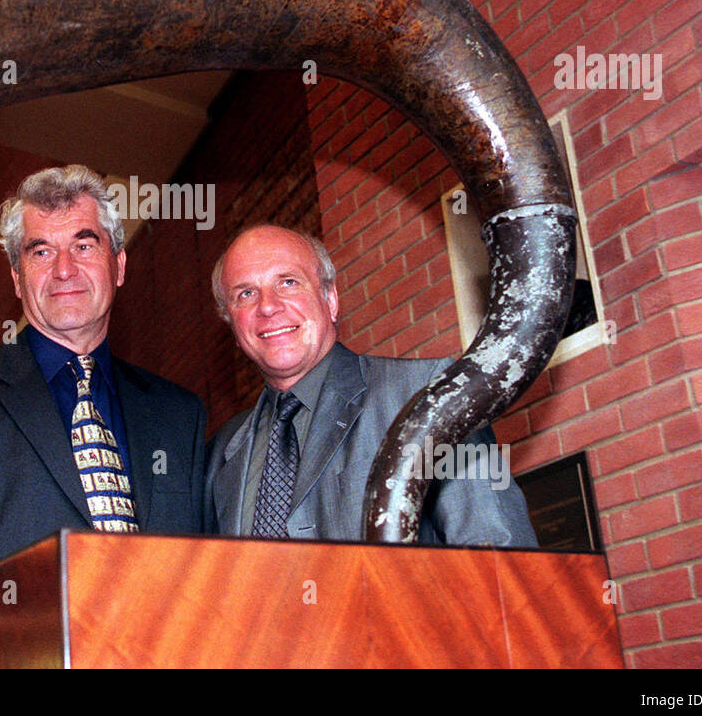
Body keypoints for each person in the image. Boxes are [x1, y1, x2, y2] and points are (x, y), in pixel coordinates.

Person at [0, 165, 206, 667]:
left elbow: (204, 593)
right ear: (17, 279)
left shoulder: (180, 414)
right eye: (41, 251)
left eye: (84, 245)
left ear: (119, 265)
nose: (64, 268)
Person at [205, 224, 536, 546]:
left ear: (330, 300)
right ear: (232, 323)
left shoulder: (427, 393)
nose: (267, 306)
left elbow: (498, 555)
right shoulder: (222, 451)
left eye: (288, 282)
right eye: (245, 293)